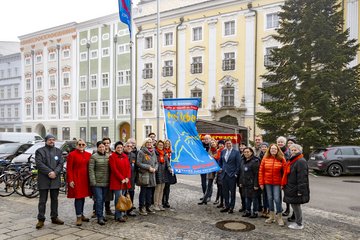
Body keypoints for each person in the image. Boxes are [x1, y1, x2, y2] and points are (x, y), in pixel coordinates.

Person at [35, 134, 65, 229]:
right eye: (50, 140)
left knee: (55, 199)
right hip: (44, 178)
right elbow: (39, 164)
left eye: (53, 140)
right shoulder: (40, 151)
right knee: (42, 201)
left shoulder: (58, 151)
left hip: (55, 179)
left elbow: (61, 163)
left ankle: (54, 217)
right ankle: (41, 219)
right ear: (46, 141)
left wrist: (55, 172)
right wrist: (49, 172)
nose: (52, 141)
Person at [282, 144, 310, 230]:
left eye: (295, 150)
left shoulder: (300, 161)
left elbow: (302, 177)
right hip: (291, 187)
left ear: (299, 151)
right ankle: (298, 222)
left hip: (295, 188)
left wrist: (300, 190)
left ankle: (299, 224)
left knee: (296, 206)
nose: (293, 152)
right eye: (292, 150)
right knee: (294, 206)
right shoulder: (293, 160)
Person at [259, 144, 286, 226]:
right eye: (271, 149)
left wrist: (283, 183)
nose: (273, 150)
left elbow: (285, 172)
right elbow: (261, 171)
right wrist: (261, 183)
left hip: (277, 183)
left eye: (275, 149)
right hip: (267, 182)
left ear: (277, 150)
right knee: (270, 199)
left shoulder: (281, 159)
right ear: (269, 150)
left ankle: (279, 217)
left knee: (277, 199)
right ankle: (272, 216)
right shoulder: (265, 158)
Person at [66, 138, 92, 226]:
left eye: (83, 144)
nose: (81, 146)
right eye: (79, 144)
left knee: (83, 197)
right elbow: (69, 169)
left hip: (85, 179)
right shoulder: (72, 155)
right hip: (76, 179)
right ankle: (78, 217)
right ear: (76, 145)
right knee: (78, 197)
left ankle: (82, 214)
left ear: (85, 145)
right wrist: (70, 180)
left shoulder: (89, 154)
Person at [109, 141, 131, 222]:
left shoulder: (125, 156)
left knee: (123, 197)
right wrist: (121, 178)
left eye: (121, 147)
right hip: (117, 181)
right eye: (118, 147)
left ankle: (121, 213)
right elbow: (114, 169)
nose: (119, 149)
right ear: (115, 148)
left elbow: (128, 168)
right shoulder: (112, 157)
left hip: (125, 181)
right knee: (118, 198)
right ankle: (118, 215)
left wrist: (128, 177)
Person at [89, 141, 110, 225]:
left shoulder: (108, 156)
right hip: (97, 183)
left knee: (103, 200)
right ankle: (100, 217)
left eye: (103, 147)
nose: (102, 148)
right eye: (100, 147)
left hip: (106, 182)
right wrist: (93, 181)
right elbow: (91, 170)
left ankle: (100, 214)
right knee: (99, 200)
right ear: (97, 148)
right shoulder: (94, 157)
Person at [218, 139, 241, 214]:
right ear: (225, 144)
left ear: (232, 144)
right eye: (227, 143)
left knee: (232, 192)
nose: (228, 145)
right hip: (224, 174)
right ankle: (226, 206)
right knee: (225, 192)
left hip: (232, 175)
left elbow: (238, 164)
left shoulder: (236, 152)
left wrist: (236, 174)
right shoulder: (223, 152)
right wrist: (220, 168)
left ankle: (231, 207)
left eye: (230, 143)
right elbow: (220, 162)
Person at [136, 138, 158, 215]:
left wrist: (155, 168)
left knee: (150, 192)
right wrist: (148, 167)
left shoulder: (153, 152)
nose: (149, 144)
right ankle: (141, 207)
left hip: (152, 174)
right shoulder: (141, 152)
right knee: (143, 192)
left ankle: (148, 206)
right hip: (144, 174)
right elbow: (138, 163)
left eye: (150, 142)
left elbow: (156, 162)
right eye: (147, 142)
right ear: (145, 143)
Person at [239, 147, 260, 218]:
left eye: (248, 152)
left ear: (251, 152)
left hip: (252, 183)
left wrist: (256, 184)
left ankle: (255, 212)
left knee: (254, 198)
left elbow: (257, 174)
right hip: (245, 183)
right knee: (246, 197)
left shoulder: (255, 161)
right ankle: (247, 211)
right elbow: (241, 173)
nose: (246, 153)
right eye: (245, 152)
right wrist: (241, 182)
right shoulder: (242, 160)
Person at [154, 140, 172, 210]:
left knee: (162, 190)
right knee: (157, 189)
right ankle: (155, 204)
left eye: (162, 145)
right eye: (159, 145)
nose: (161, 146)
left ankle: (160, 204)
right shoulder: (155, 153)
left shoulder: (164, 153)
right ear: (157, 146)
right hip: (158, 173)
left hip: (164, 173)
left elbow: (167, 163)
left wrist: (170, 168)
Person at [123, 141, 137, 216]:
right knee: (123, 194)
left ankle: (130, 209)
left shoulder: (133, 155)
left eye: (130, 146)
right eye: (127, 146)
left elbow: (135, 167)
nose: (129, 147)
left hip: (131, 178)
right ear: (124, 147)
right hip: (123, 178)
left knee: (131, 193)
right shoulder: (122, 154)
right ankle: (123, 209)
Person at [102, 137, 114, 216]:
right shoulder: (97, 151)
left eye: (107, 143)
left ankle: (107, 209)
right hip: (101, 175)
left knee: (108, 194)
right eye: (105, 143)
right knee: (99, 195)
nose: (106, 144)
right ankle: (96, 210)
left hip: (110, 176)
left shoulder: (112, 152)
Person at [162, 139, 175, 208]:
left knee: (168, 187)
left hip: (169, 171)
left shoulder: (171, 152)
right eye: (166, 143)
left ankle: (166, 201)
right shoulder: (163, 152)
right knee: (163, 187)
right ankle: (162, 201)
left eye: (168, 143)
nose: (167, 145)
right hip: (164, 171)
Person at [259, 142, 269, 218]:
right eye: (262, 147)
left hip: (268, 178)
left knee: (269, 195)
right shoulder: (260, 156)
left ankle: (268, 209)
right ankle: (264, 208)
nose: (264, 148)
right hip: (262, 177)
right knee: (264, 195)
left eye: (265, 147)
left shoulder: (269, 156)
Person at [213, 140, 225, 207]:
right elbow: (215, 159)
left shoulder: (225, 151)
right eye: (219, 144)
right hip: (218, 171)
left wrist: (222, 168)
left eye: (222, 144)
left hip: (223, 171)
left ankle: (222, 202)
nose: (220, 145)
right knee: (219, 186)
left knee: (223, 187)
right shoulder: (217, 151)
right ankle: (218, 200)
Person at [200, 134, 211, 200]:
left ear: (210, 139)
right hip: (202, 166)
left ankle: (209, 196)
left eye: (207, 139)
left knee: (209, 182)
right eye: (205, 139)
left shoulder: (212, 145)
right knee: (203, 182)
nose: (206, 140)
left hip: (209, 166)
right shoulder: (201, 145)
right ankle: (204, 195)